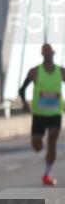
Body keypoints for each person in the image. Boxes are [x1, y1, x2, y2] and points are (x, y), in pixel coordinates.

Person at [18, 43, 63, 186]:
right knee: (37, 147)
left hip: (55, 113)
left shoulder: (61, 72)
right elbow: (22, 89)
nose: (48, 55)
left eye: (50, 53)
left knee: (53, 140)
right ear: (42, 54)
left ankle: (47, 174)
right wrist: (25, 103)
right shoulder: (34, 72)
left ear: (53, 54)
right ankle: (41, 143)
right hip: (39, 114)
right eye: (46, 53)